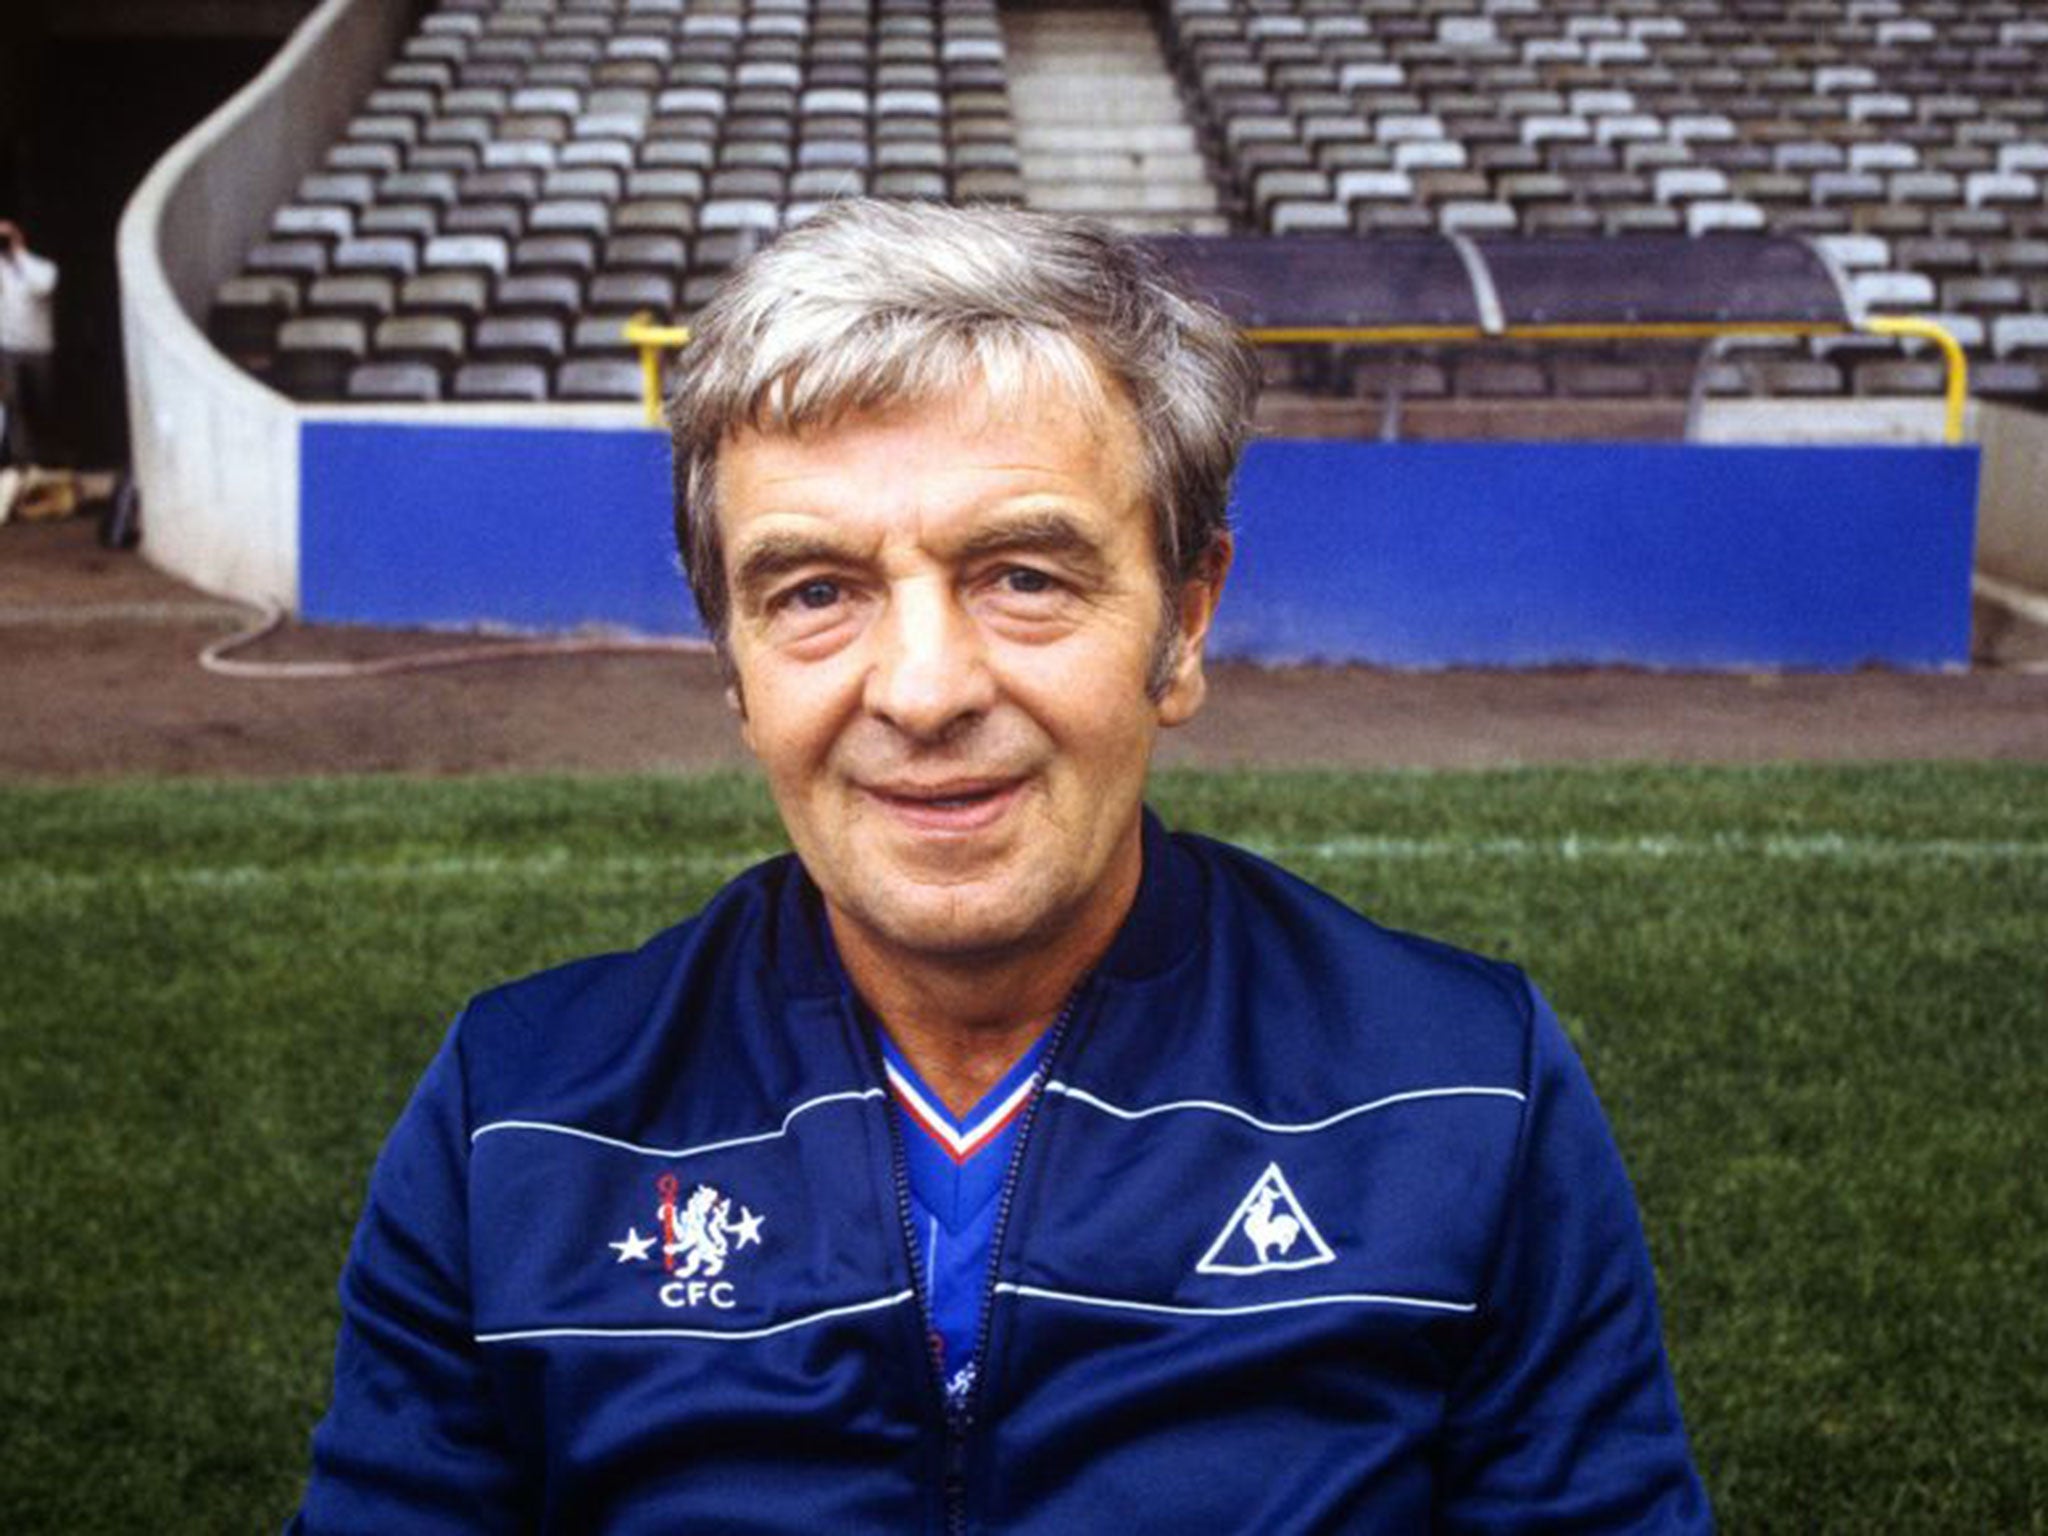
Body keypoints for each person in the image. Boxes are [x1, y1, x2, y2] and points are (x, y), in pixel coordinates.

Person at [292, 199, 1711, 1531]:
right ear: (732, 660)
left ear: (1186, 619)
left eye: (1023, 576)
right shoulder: (524, 1117)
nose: (922, 689)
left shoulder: (1456, 1088)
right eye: (816, 593)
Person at [0, 219, 57, 468]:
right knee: (13, 403)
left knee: (42, 402)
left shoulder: (41, 267)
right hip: (8, 347)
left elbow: (44, 286)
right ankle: (22, 458)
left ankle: (46, 455)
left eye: (7, 237)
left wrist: (18, 252)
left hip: (38, 347)